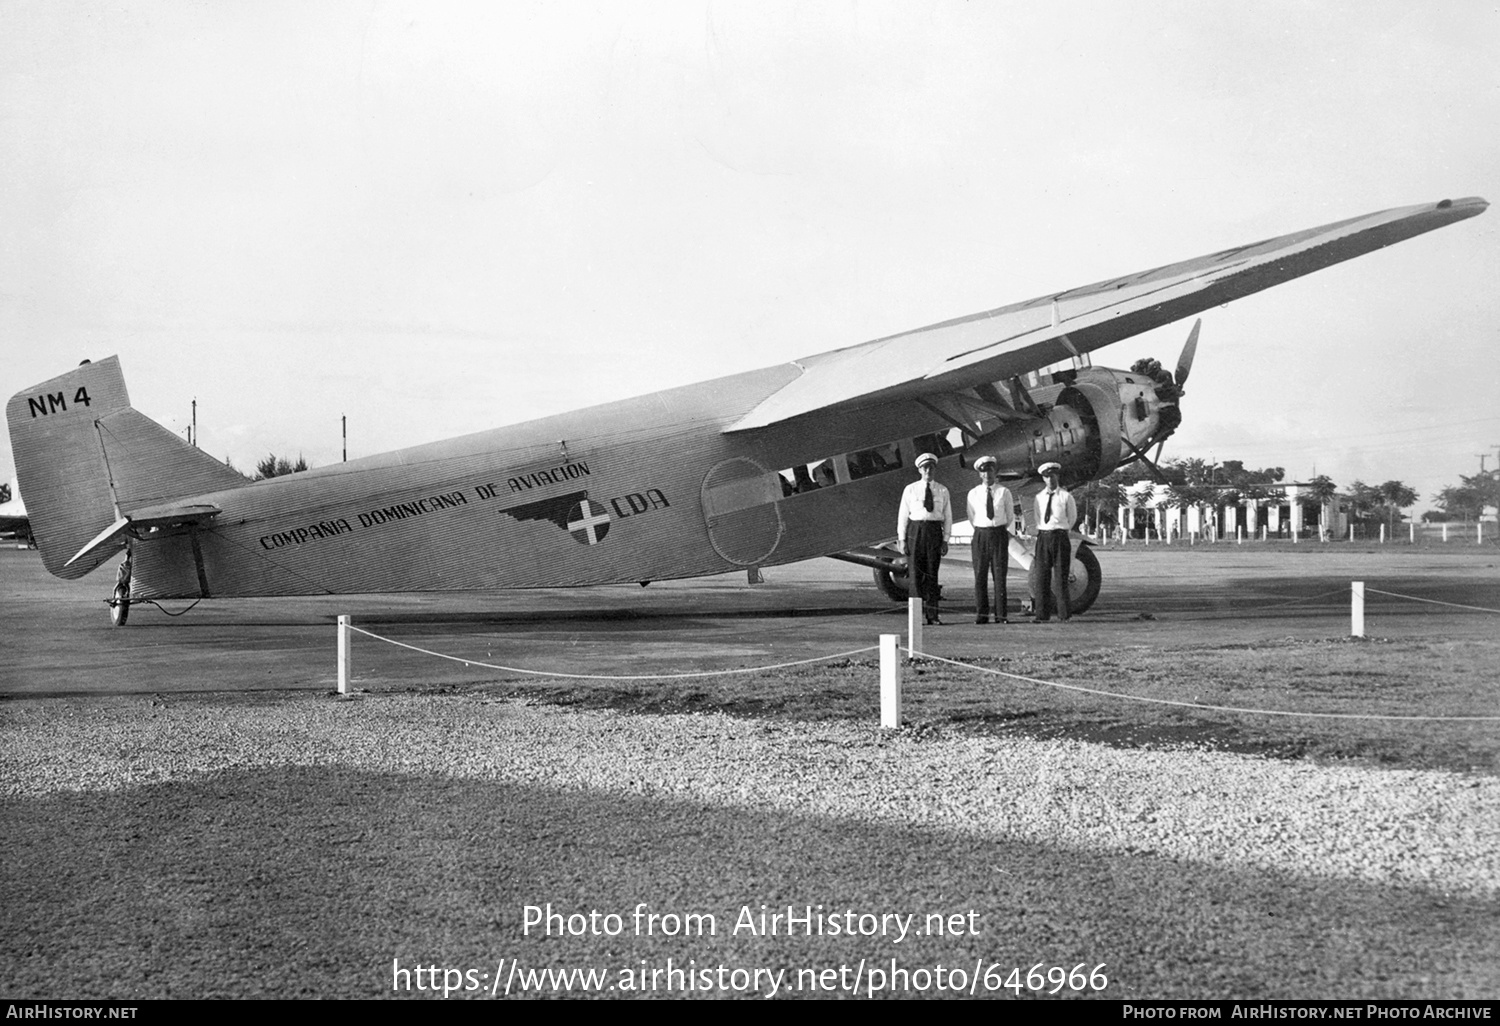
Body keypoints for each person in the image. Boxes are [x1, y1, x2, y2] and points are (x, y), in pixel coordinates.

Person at [897, 452, 952, 625]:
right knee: (915, 575)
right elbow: (903, 515)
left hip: (934, 531)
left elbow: (948, 516)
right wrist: (902, 539)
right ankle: (915, 617)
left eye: (931, 467)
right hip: (916, 531)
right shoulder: (910, 489)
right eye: (925, 467)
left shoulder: (942, 490)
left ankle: (933, 615)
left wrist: (945, 540)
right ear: (920, 470)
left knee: (932, 574)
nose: (928, 470)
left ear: (935, 469)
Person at [966, 456, 1014, 623]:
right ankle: (982, 615)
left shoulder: (1004, 492)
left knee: (1000, 576)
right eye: (984, 471)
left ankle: (1001, 615)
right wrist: (983, 528)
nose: (987, 474)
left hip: (999, 534)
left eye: (990, 470)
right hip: (981, 535)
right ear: (980, 474)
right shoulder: (973, 493)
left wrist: (997, 528)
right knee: (980, 576)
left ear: (995, 472)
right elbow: (971, 516)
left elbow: (1009, 516)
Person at [1032, 461, 1077, 622]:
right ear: (1043, 479)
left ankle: (1064, 615)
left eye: (1052, 476)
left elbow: (1071, 518)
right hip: (1043, 536)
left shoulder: (1066, 496)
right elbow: (1037, 517)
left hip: (1060, 537)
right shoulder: (1039, 498)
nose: (1050, 480)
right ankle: (1041, 615)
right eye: (1046, 477)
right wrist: (1045, 530)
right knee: (1041, 577)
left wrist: (1060, 530)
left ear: (1057, 476)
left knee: (1060, 577)